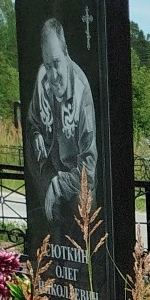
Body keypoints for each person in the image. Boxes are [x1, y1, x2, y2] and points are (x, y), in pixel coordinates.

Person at [25, 16, 98, 235]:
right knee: (46, 234)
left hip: (76, 186)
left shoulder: (81, 93)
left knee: (81, 227)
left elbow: (89, 166)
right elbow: (32, 121)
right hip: (48, 177)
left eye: (56, 63)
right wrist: (36, 133)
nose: (53, 75)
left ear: (66, 55)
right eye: (48, 66)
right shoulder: (42, 78)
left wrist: (59, 185)